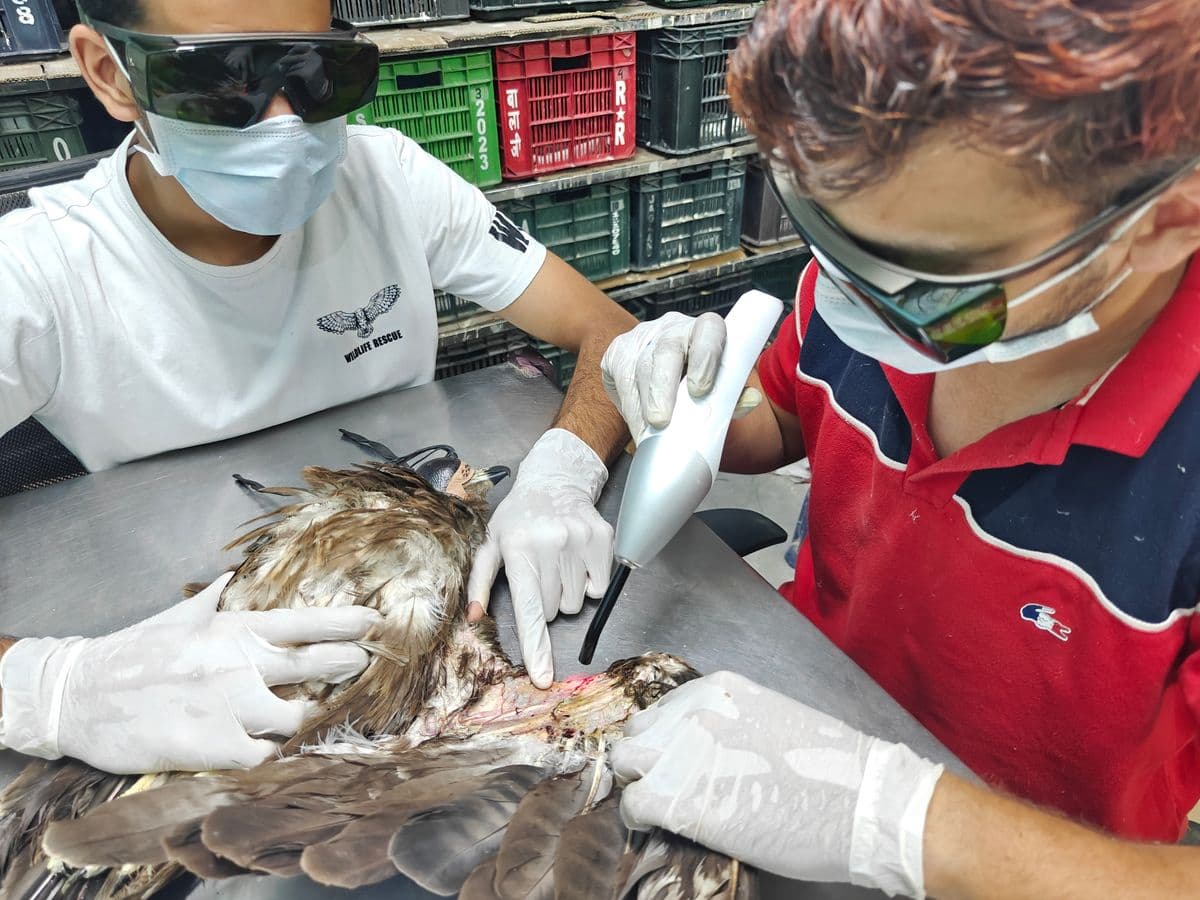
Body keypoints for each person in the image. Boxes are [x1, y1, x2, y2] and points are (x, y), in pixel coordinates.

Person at [602, 0, 1200, 896]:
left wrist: (902, 823)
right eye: (830, 236)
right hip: (771, 737)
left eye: (921, 284)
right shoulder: (881, 263)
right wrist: (698, 412)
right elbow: (792, 416)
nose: (852, 301)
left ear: (1159, 226)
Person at [0, 0, 636, 774]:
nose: (283, 124)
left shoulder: (389, 181)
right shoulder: (37, 276)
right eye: (219, 77)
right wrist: (52, 687)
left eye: (314, 74)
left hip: (424, 583)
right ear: (112, 73)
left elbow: (607, 331)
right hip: (186, 631)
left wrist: (566, 467)